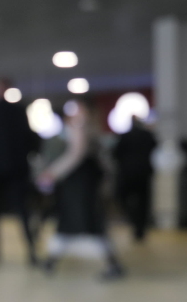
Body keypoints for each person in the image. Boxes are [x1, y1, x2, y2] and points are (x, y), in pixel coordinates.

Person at [37, 99, 126, 281]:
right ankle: (51, 261)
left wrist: (52, 173)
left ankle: (111, 264)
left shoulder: (80, 129)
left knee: (84, 222)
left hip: (79, 186)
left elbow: (75, 155)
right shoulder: (92, 129)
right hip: (83, 185)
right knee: (80, 223)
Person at [0, 78, 40, 266]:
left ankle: (31, 250)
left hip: (16, 170)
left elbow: (29, 138)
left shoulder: (18, 111)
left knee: (22, 211)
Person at [112, 117, 157, 242]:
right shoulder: (148, 135)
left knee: (122, 198)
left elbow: (115, 154)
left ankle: (133, 219)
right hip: (144, 173)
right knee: (143, 202)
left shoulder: (125, 136)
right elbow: (154, 148)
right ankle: (140, 228)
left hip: (127, 173)